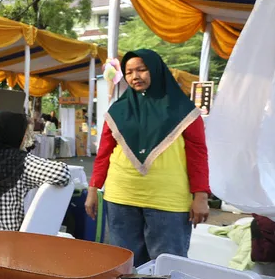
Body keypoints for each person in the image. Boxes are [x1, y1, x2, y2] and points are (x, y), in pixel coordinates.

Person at [86, 49, 210, 265]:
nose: (135, 76)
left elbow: (198, 154)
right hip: (120, 196)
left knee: (167, 266)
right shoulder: (118, 111)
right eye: (129, 72)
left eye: (142, 70)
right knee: (124, 266)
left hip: (168, 200)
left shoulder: (184, 111)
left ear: (156, 70)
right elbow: (104, 153)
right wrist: (92, 190)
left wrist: (201, 196)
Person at [0, 112, 70, 231]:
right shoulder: (20, 160)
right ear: (14, 134)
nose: (26, 138)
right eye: (25, 134)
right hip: (5, 239)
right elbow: (62, 173)